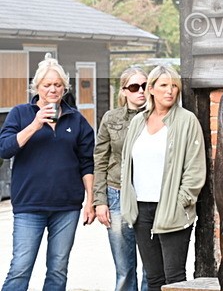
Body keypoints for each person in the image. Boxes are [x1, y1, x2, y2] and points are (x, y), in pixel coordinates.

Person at [0, 55, 95, 291]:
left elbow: (87, 163)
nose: (53, 89)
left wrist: (90, 200)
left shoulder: (77, 119)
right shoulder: (20, 114)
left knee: (58, 270)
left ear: (64, 87)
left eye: (58, 85)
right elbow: (4, 149)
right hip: (29, 205)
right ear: (37, 87)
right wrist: (34, 124)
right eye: (47, 85)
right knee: (20, 268)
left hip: (67, 207)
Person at [120, 65, 206, 289]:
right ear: (151, 89)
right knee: (153, 278)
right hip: (141, 210)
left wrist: (181, 202)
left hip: (172, 209)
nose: (170, 91)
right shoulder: (138, 122)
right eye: (164, 85)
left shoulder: (187, 121)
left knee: (175, 278)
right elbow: (126, 164)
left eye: (174, 86)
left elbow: (195, 169)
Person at [94, 66, 149, 291]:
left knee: (152, 268)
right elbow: (100, 160)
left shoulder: (158, 117)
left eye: (146, 86)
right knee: (124, 269)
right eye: (135, 87)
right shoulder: (110, 118)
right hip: (116, 193)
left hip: (149, 195)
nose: (141, 91)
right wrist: (100, 201)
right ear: (124, 91)